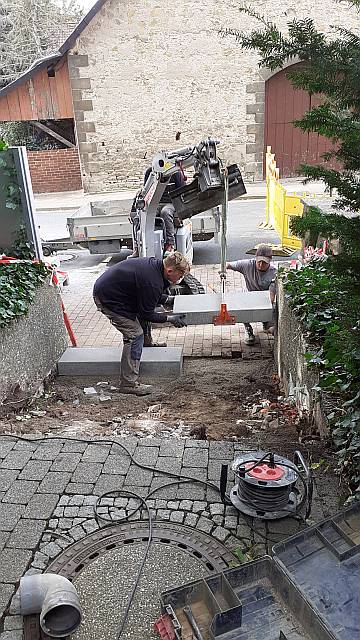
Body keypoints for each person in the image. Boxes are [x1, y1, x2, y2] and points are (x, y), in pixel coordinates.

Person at [93, 252, 189, 396]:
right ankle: (128, 383)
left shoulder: (156, 267)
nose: (181, 279)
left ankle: (146, 343)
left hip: (117, 293)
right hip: (108, 299)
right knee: (134, 334)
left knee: (142, 315)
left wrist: (168, 300)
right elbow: (147, 313)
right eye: (180, 275)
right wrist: (170, 319)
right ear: (170, 271)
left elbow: (148, 295)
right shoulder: (152, 280)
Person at [226, 244, 276, 345]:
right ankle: (248, 328)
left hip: (264, 300)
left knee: (271, 325)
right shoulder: (247, 265)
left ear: (270, 260)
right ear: (255, 259)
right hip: (248, 296)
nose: (261, 265)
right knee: (240, 304)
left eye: (264, 262)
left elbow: (271, 298)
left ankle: (266, 323)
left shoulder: (274, 273)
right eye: (259, 262)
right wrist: (223, 268)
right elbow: (228, 265)